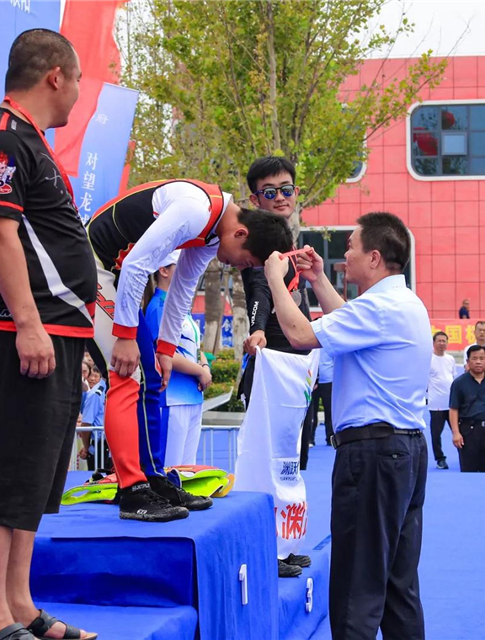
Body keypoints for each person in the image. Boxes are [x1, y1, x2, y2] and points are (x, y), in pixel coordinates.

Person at [0, 29, 96, 640]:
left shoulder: (30, 140)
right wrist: (28, 325)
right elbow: (0, 235)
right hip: (24, 330)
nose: (79, 92)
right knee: (10, 471)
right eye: (78, 79)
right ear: (55, 76)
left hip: (57, 329)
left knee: (36, 477)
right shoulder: (2, 138)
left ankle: (18, 604)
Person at [264, 212, 431, 640]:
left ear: (374, 258)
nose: (344, 255)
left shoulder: (379, 308)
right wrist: (318, 279)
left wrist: (274, 281)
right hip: (405, 453)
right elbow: (347, 322)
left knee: (356, 589)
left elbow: (300, 333)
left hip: (373, 455)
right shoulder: (403, 303)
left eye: (351, 247)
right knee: (398, 588)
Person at [86, 178, 292, 522]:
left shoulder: (214, 230)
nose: (238, 267)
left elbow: (182, 286)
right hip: (91, 264)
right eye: (245, 261)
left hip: (116, 274)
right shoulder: (195, 210)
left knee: (152, 374)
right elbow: (136, 264)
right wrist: (124, 336)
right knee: (128, 374)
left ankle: (152, 478)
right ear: (241, 233)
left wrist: (166, 349)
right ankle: (132, 491)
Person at [239, 156, 314, 577]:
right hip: (271, 369)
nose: (280, 198)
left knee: (291, 463)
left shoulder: (293, 246)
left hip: (296, 371)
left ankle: (284, 545)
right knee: (267, 463)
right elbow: (259, 293)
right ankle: (264, 548)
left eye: (287, 189)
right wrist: (256, 329)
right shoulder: (261, 247)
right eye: (270, 192)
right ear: (255, 199)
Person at [145, 251, 212, 466]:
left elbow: (194, 346)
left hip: (193, 397)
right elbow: (164, 353)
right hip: (171, 399)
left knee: (187, 470)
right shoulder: (158, 307)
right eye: (179, 266)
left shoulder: (180, 306)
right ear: (163, 271)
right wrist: (200, 371)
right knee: (169, 468)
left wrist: (204, 365)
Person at [449, 345, 485, 472]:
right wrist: (456, 433)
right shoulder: (459, 383)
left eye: (482, 358)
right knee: (468, 471)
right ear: (467, 361)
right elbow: (454, 409)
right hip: (468, 431)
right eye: (474, 358)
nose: (478, 362)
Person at [428, 331, 457, 469]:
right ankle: (440, 458)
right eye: (439, 341)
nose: (442, 343)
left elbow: (453, 378)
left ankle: (464, 455)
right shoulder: (428, 359)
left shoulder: (450, 359)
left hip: (451, 404)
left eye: (444, 341)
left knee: (458, 431)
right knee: (436, 434)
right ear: (433, 343)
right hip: (436, 404)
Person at [317, 349, 334, 445]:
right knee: (311, 412)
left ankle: (330, 437)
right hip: (313, 381)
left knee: (329, 411)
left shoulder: (329, 345)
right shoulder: (311, 345)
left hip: (328, 380)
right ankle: (310, 439)